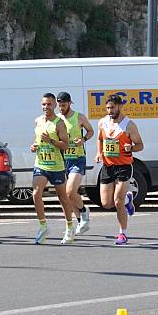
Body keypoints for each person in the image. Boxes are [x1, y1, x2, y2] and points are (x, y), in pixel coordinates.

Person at [94, 94, 144, 245]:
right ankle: (129, 198)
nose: (110, 111)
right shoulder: (102, 122)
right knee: (106, 204)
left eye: (112, 108)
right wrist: (98, 153)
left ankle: (122, 233)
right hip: (108, 166)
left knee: (117, 201)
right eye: (108, 108)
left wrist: (132, 147)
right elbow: (99, 139)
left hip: (123, 166)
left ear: (120, 106)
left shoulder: (129, 125)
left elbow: (140, 145)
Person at [30, 93, 74, 245]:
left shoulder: (59, 123)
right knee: (36, 194)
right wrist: (34, 146)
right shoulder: (38, 121)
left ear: (54, 105)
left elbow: (65, 145)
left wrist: (51, 140)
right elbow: (37, 141)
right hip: (41, 163)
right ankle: (43, 226)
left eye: (49, 104)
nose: (46, 107)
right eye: (44, 104)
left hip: (56, 165)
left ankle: (69, 226)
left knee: (62, 198)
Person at [56, 92, 94, 235]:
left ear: (70, 103)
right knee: (67, 196)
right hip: (61, 160)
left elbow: (91, 131)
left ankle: (84, 210)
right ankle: (80, 220)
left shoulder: (79, 117)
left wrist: (84, 139)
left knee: (70, 191)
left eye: (64, 105)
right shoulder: (57, 119)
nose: (61, 108)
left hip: (77, 158)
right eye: (59, 106)